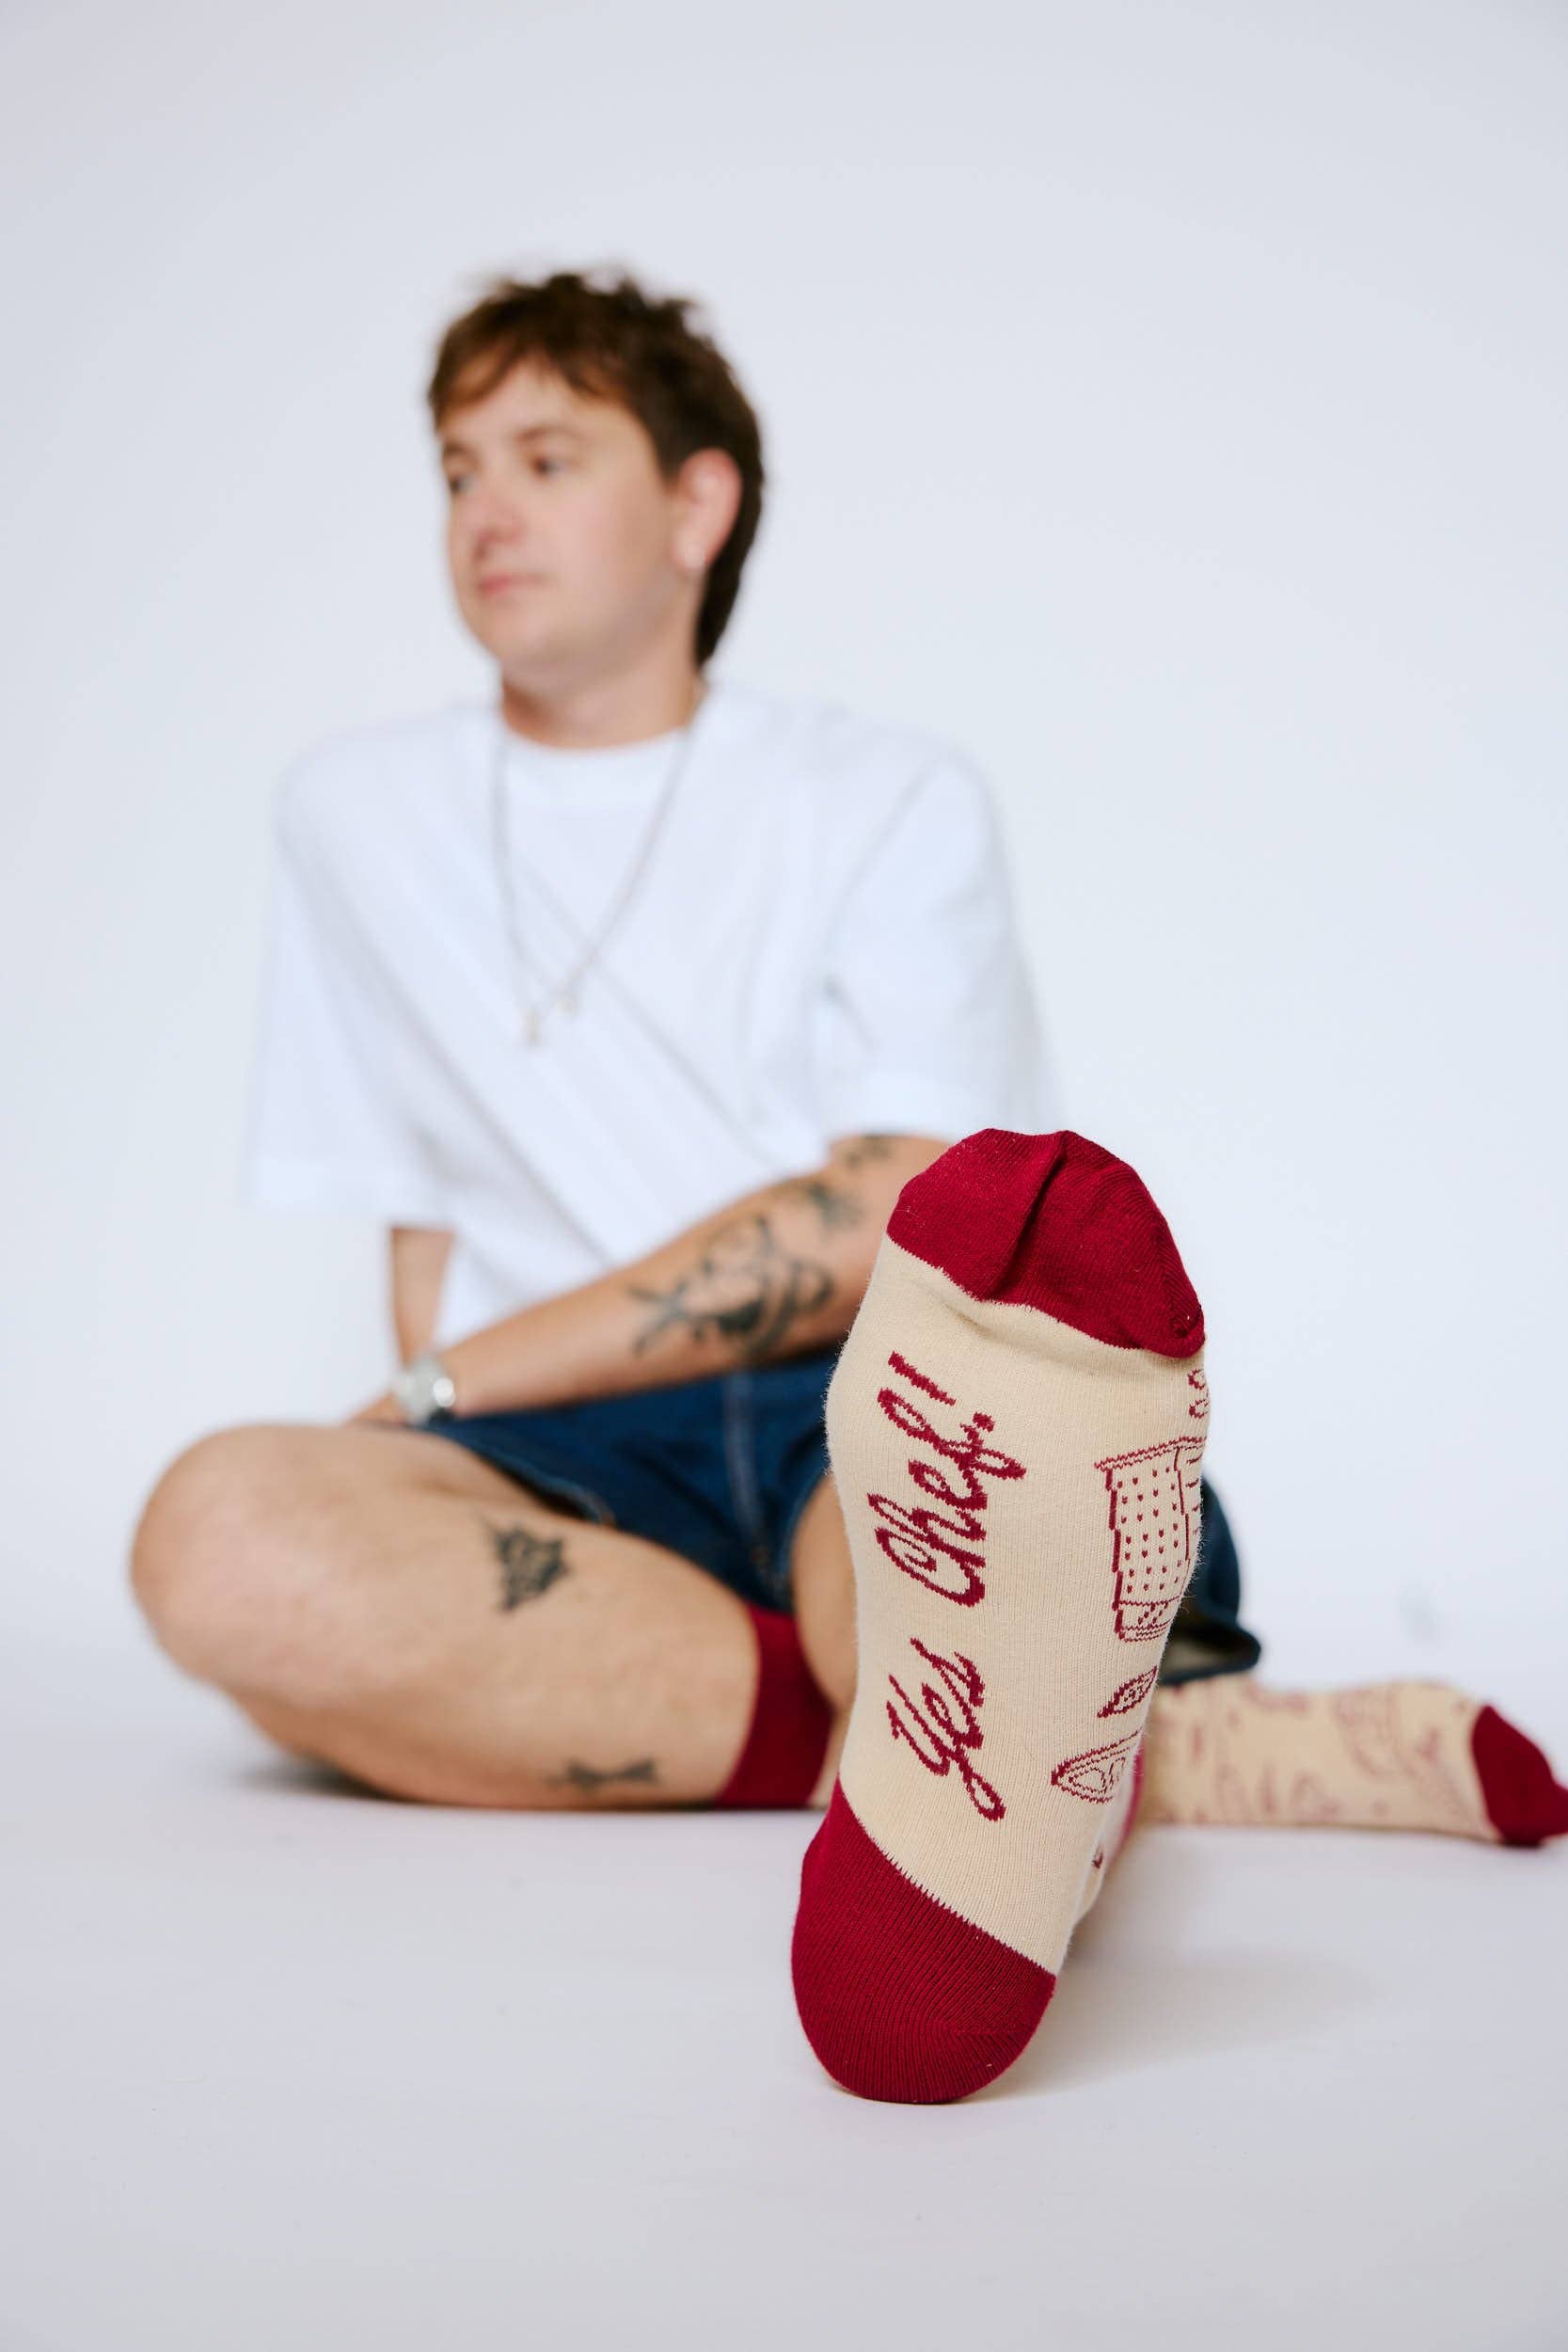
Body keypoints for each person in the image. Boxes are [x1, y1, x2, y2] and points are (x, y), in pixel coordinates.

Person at [130, 267, 1568, 2106]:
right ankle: (1066, 1744)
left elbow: (886, 1205)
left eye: (548, 458)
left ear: (698, 505)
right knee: (216, 1535)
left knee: (915, 1523)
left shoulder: (882, 793)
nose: (485, 510)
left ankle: (969, 1741)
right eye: (459, 468)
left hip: (859, 1384)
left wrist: (442, 1387)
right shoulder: (350, 813)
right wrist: (417, 1436)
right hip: (556, 1452)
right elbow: (416, 1203)